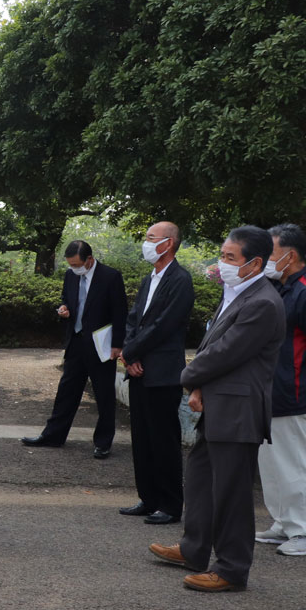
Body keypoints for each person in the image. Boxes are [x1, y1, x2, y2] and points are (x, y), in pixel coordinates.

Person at [149, 225, 286, 592]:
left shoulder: (262, 302)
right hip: (219, 404)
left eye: (229, 258)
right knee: (200, 480)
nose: (221, 263)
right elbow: (215, 345)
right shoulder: (239, 292)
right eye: (222, 255)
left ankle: (231, 569)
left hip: (238, 411)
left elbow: (227, 352)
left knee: (231, 493)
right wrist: (199, 385)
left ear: (254, 263)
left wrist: (188, 377)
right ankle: (194, 549)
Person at [254, 224, 306, 556]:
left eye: (270, 253)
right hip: (270, 389)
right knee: (271, 463)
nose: (264, 261)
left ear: (290, 256)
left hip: (293, 389)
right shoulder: (281, 287)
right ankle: (283, 523)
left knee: (294, 463)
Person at [118, 221, 194, 524]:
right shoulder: (150, 278)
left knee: (163, 439)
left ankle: (170, 504)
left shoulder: (180, 280)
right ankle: (148, 498)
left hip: (162, 371)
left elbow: (165, 325)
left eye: (152, 238)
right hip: (139, 370)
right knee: (143, 439)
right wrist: (128, 354)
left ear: (169, 243)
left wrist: (133, 351)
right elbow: (134, 319)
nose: (146, 243)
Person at [22, 240, 127, 458]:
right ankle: (53, 436)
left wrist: (118, 345)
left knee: (104, 395)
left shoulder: (110, 277)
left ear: (89, 260)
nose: (73, 268)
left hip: (101, 345)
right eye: (70, 264)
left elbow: (120, 313)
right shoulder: (71, 275)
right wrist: (64, 309)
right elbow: (67, 300)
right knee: (66, 392)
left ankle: (103, 442)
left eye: (77, 264)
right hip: (76, 341)